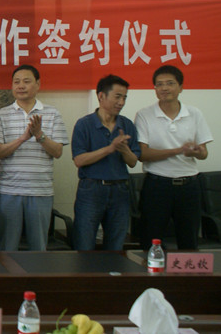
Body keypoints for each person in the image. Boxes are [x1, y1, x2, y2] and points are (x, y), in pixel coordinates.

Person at [135, 65, 212, 250]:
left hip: (189, 186)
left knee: (189, 241)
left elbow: (204, 153)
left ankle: (186, 271)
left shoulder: (194, 113)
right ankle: (151, 270)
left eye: (170, 83)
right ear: (155, 88)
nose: (164, 88)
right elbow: (142, 154)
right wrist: (177, 150)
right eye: (159, 84)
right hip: (157, 186)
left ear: (181, 87)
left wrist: (197, 152)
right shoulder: (144, 114)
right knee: (151, 240)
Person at [0, 65, 68, 251]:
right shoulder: (1, 115)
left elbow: (57, 152)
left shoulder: (52, 113)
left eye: (26, 81)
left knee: (38, 248)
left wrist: (39, 135)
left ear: (38, 84)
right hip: (9, 191)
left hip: (40, 191)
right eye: (16, 82)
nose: (20, 86)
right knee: (7, 248)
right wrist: (23, 138)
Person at [72, 74, 140, 251]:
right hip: (91, 189)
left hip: (120, 190)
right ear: (101, 96)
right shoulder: (84, 124)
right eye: (117, 97)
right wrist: (110, 148)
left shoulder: (127, 125)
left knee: (115, 247)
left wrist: (124, 149)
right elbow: (79, 160)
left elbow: (133, 162)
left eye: (124, 98)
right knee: (84, 245)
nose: (121, 102)